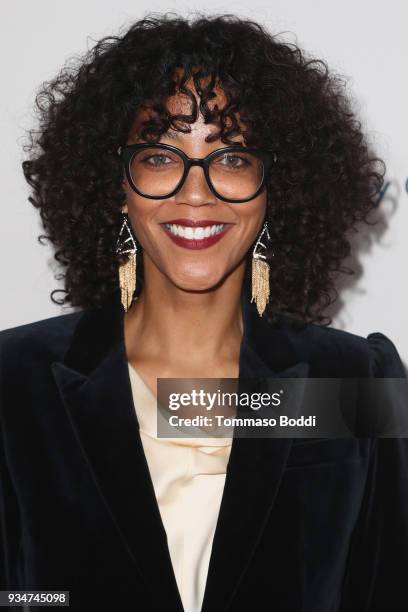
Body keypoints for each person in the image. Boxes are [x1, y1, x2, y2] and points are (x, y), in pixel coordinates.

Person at [1, 12, 407, 612]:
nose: (198, 192)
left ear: (278, 187)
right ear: (118, 184)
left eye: (234, 158)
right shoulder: (16, 382)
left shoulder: (353, 382)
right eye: (161, 157)